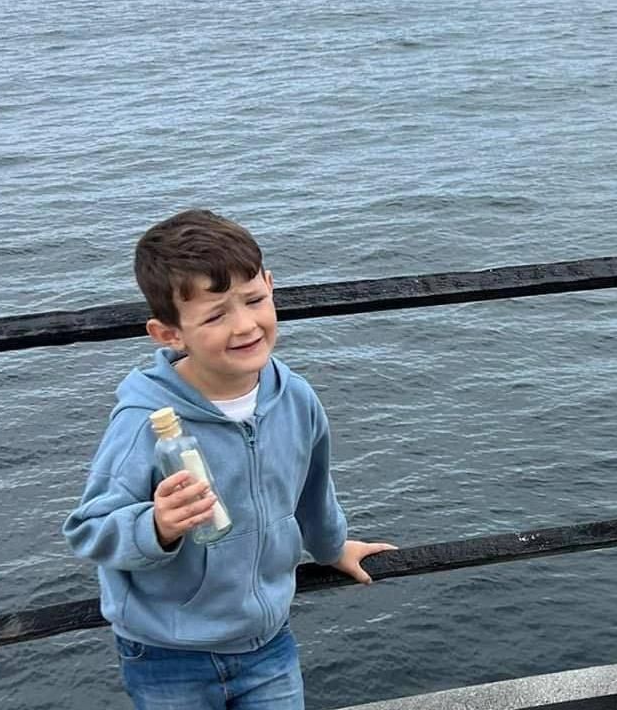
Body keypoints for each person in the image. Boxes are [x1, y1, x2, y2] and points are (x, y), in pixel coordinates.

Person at [64, 208, 396, 709]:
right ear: (169, 334)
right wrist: (156, 526)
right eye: (215, 315)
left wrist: (332, 548)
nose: (244, 325)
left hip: (269, 642)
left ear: (270, 285)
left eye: (254, 300)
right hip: (167, 653)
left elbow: (313, 489)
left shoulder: (294, 397)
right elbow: (89, 528)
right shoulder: (144, 420)